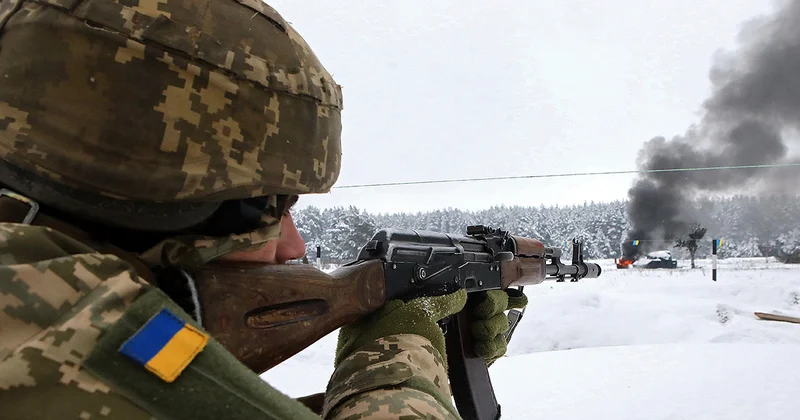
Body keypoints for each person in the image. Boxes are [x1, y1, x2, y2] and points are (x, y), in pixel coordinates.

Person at [0, 1, 524, 419]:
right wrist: (403, 342)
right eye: (267, 209)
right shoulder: (80, 342)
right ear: (155, 207)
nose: (293, 246)